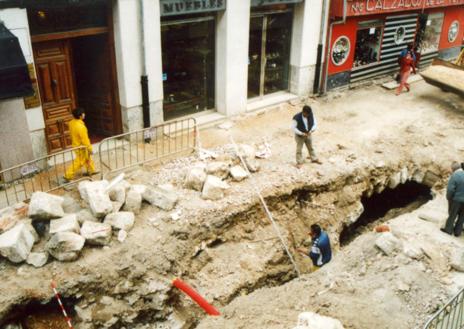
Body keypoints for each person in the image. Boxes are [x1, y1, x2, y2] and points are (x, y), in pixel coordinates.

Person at [63, 108, 96, 181]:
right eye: (83, 113)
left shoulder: (71, 123)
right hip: (81, 147)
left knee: (87, 158)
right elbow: (85, 140)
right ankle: (68, 175)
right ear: (80, 116)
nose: (84, 114)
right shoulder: (81, 127)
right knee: (79, 162)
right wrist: (90, 149)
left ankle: (91, 170)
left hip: (75, 144)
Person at [441, 162, 464, 236]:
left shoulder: (455, 175)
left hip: (457, 199)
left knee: (452, 215)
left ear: (453, 169)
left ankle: (448, 230)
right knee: (462, 217)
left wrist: (449, 198)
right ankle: (457, 232)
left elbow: (450, 189)